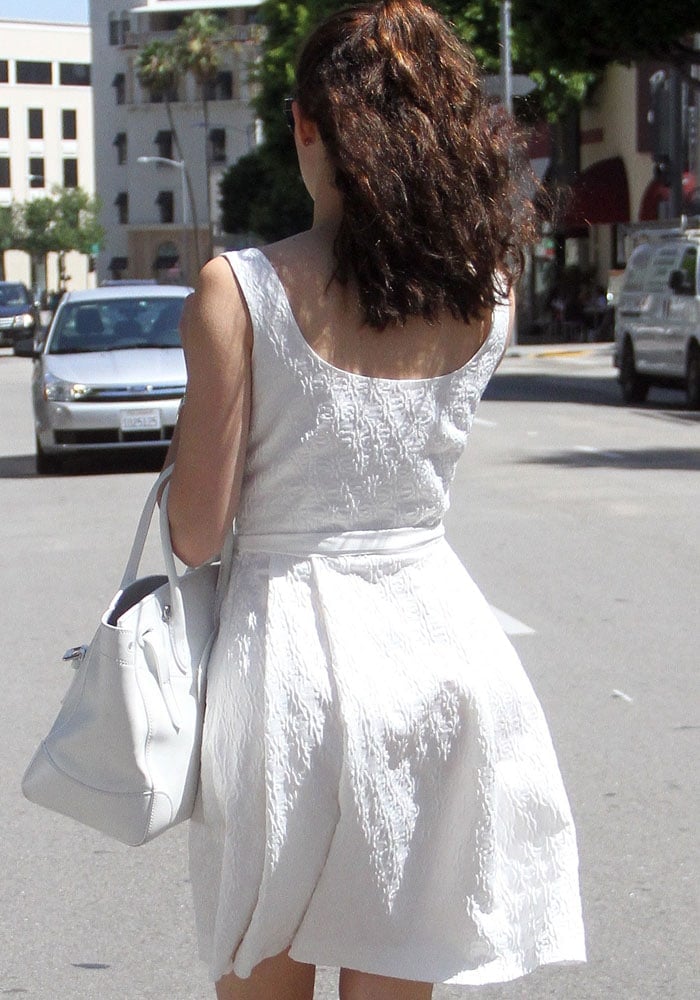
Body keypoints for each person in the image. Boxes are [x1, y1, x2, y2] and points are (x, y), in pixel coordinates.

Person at [163, 2, 586, 998]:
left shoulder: (241, 291)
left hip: (289, 677)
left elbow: (196, 531)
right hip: (442, 662)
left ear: (305, 125)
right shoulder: (487, 286)